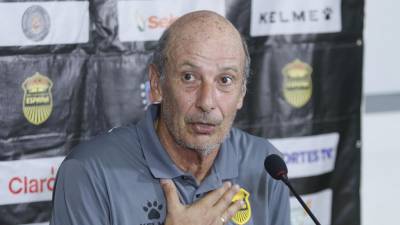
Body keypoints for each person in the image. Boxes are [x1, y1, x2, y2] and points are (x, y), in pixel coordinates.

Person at [50, 10, 291, 225]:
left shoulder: (265, 164)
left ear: (241, 93)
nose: (206, 102)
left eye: (225, 80)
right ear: (157, 84)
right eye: (189, 77)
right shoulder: (88, 173)